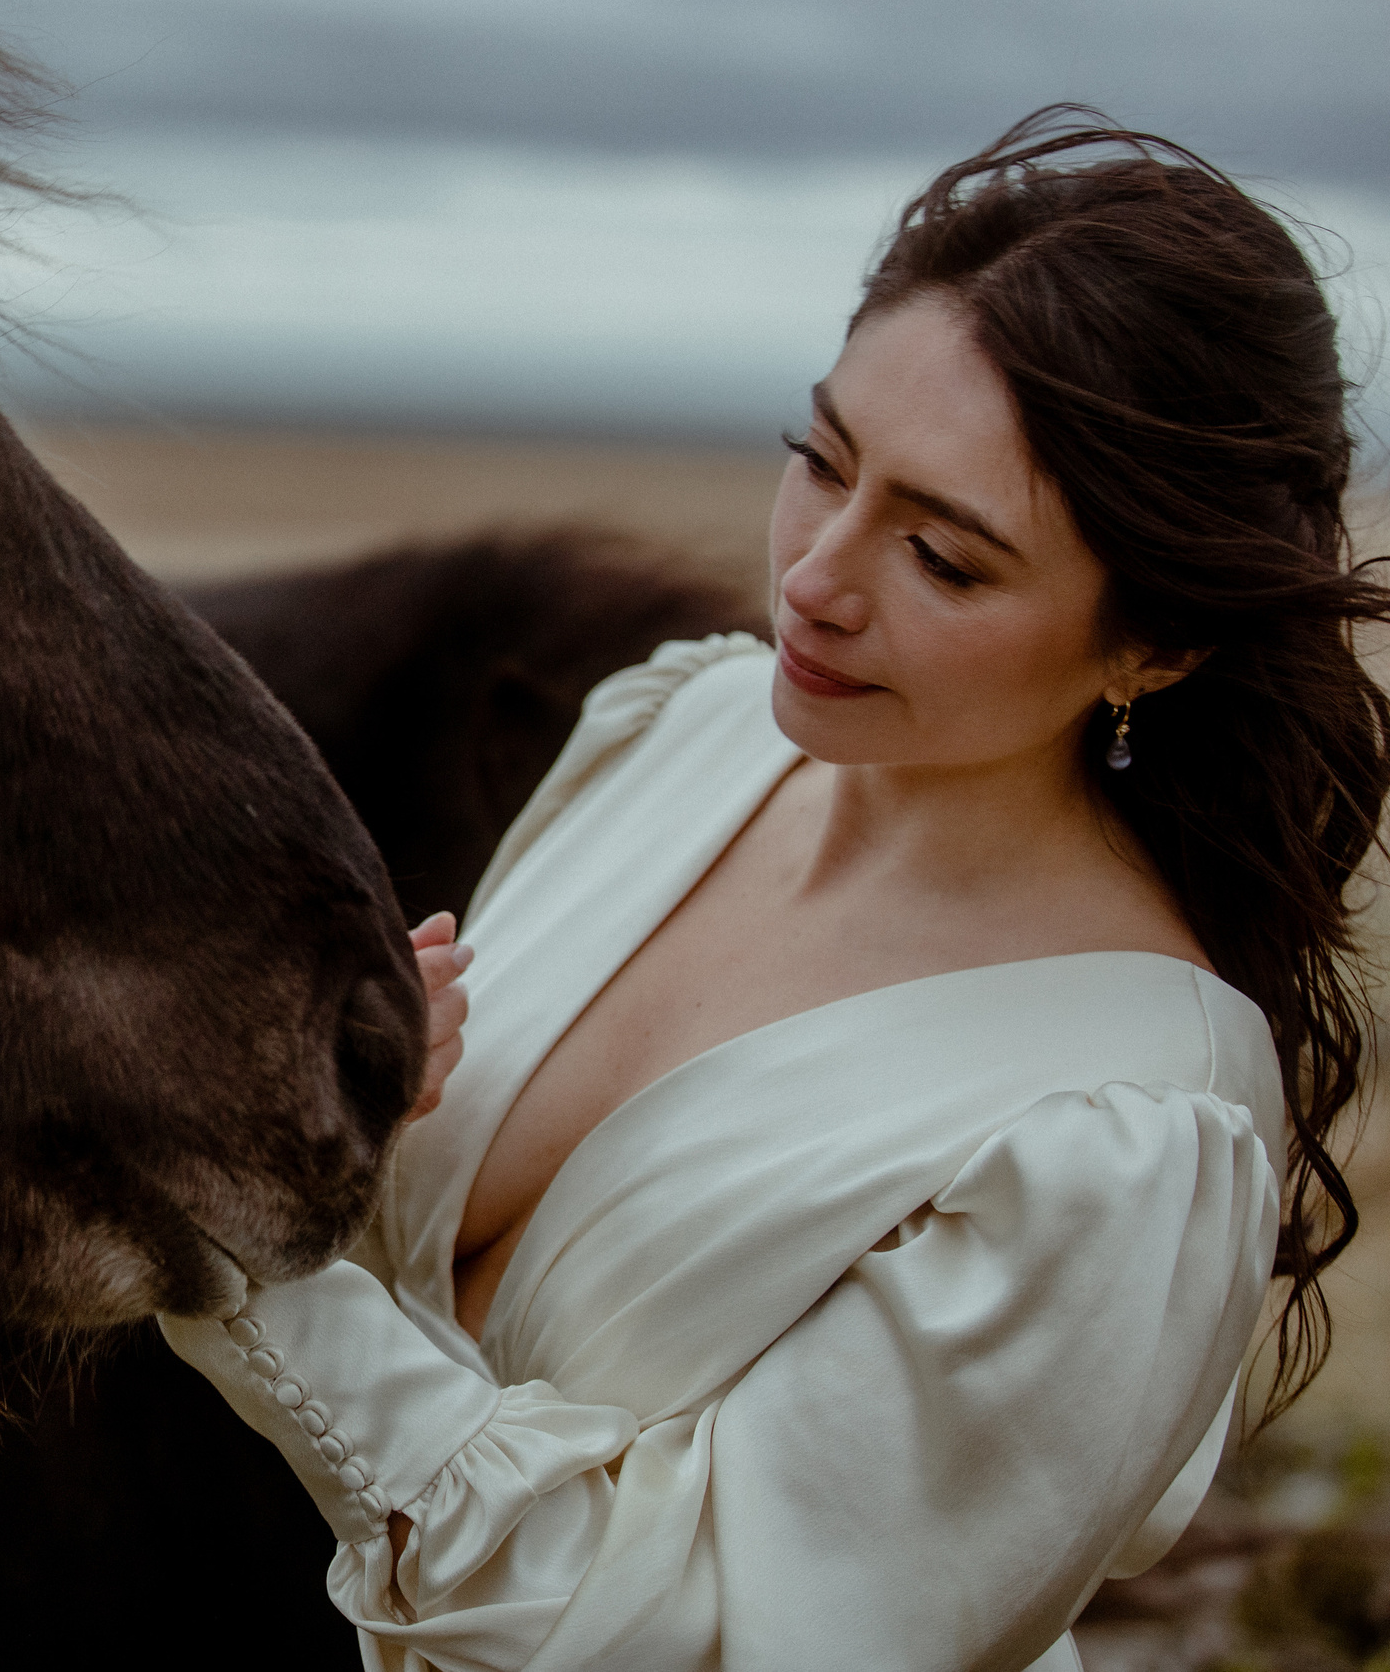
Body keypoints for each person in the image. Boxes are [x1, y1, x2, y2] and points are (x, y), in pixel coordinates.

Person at [161, 107, 1388, 1671]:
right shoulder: (679, 730)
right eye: (824, 459)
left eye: (945, 558)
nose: (816, 576)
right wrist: (350, 1132)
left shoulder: (1124, 1141)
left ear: (1153, 645)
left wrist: (251, 1248)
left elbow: (695, 1641)